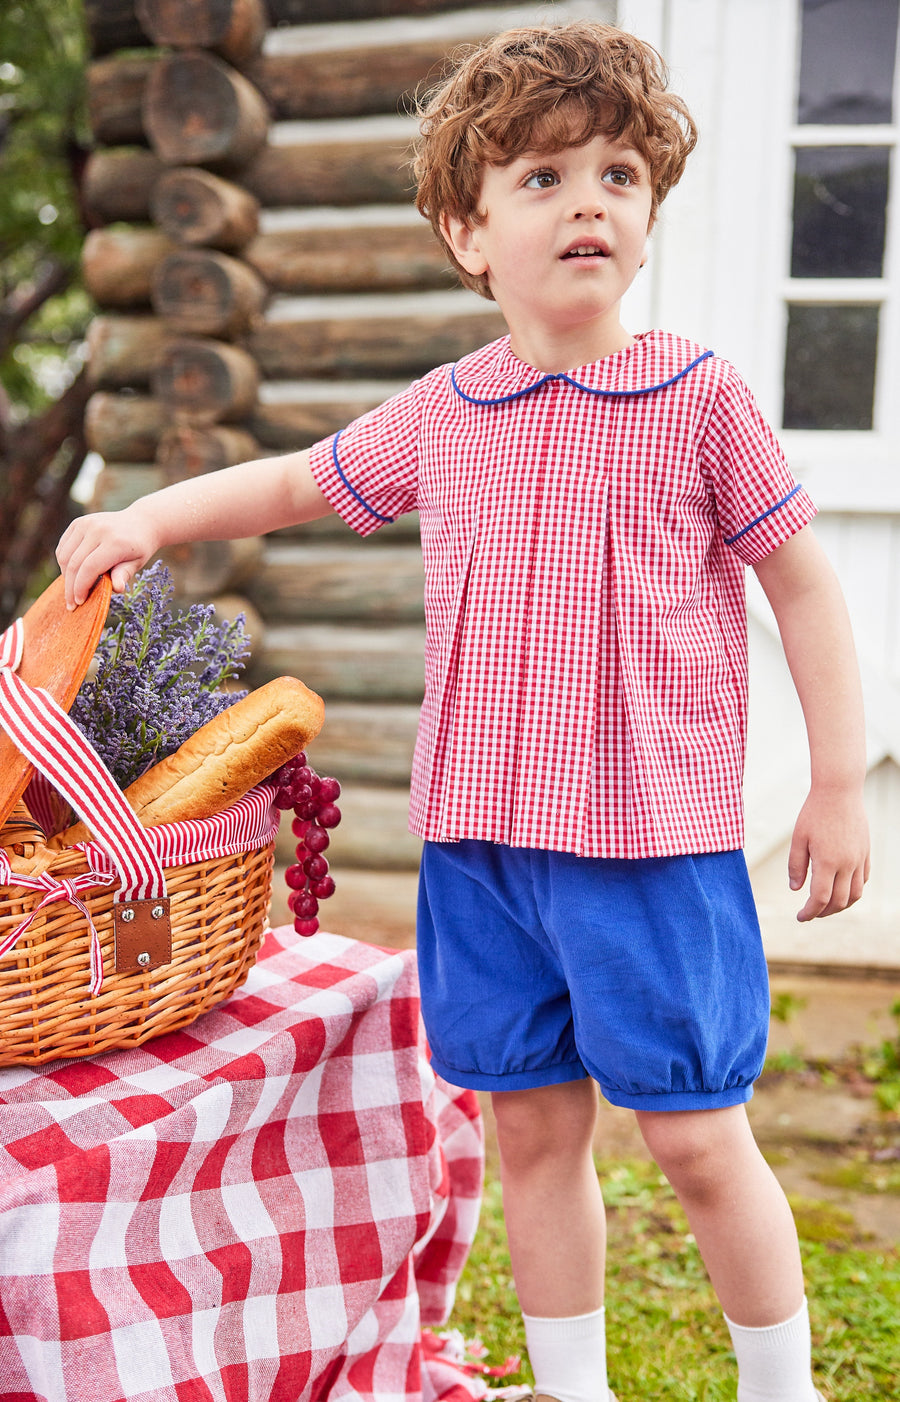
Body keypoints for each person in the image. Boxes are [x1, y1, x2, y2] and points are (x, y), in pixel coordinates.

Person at [58, 23, 868, 1402]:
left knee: (695, 1139)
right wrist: (145, 513)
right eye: (543, 179)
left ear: (651, 212)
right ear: (466, 235)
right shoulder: (448, 411)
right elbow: (291, 485)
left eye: (618, 173)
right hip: (484, 848)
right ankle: (571, 1387)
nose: (589, 202)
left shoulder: (701, 400)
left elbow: (802, 585)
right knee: (533, 1133)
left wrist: (841, 778)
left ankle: (780, 1387)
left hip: (649, 850)